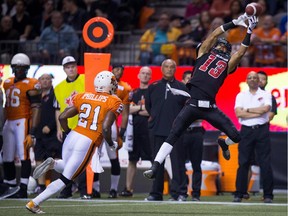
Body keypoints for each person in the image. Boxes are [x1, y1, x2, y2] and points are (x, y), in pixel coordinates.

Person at [143, 14, 259, 180]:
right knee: (173, 135)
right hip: (192, 104)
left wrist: (248, 31)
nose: (222, 49)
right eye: (220, 46)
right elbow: (213, 35)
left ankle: (223, 143)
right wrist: (233, 23)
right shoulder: (203, 53)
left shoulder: (226, 64)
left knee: (236, 136)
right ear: (214, 47)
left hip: (209, 107)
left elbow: (240, 53)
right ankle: (155, 166)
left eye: (224, 47)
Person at [26, 71, 123, 214]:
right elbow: (106, 127)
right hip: (87, 140)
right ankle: (34, 203)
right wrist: (110, 143)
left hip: (73, 136)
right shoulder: (114, 101)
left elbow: (63, 117)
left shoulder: (83, 96)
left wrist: (68, 132)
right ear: (109, 84)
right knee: (67, 178)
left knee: (69, 167)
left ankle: (54, 163)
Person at [145, 59, 189, 201]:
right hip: (157, 130)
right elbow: (148, 107)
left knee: (178, 163)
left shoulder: (183, 88)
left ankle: (179, 193)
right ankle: (156, 194)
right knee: (157, 163)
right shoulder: (153, 87)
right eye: (166, 67)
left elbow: (187, 109)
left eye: (172, 67)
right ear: (161, 69)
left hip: (176, 132)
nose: (169, 69)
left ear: (175, 70)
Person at [0, 53, 41, 199]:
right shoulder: (7, 82)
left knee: (24, 155)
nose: (19, 71)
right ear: (12, 68)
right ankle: (9, 186)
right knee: (7, 156)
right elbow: (5, 106)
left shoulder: (32, 83)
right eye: (16, 68)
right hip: (8, 121)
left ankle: (23, 187)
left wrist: (33, 131)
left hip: (22, 121)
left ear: (27, 69)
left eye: (22, 68)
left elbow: (36, 108)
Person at [233, 71, 273, 203]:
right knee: (243, 162)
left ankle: (268, 195)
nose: (252, 79)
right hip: (246, 131)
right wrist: (257, 111)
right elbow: (238, 113)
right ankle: (239, 193)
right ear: (246, 80)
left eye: (254, 78)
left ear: (258, 80)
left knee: (265, 163)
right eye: (249, 77)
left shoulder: (266, 94)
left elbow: (266, 109)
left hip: (261, 130)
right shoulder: (241, 95)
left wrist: (248, 110)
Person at [95, 64, 132, 198]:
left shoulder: (125, 88)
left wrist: (122, 132)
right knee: (94, 157)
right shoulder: (100, 85)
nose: (118, 72)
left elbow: (126, 113)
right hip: (97, 123)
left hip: (111, 126)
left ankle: (113, 189)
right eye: (116, 69)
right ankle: (95, 189)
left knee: (113, 158)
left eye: (121, 70)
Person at [53, 55, 87, 198]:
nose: (71, 69)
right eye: (68, 67)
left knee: (84, 160)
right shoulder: (59, 87)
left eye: (73, 66)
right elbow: (58, 109)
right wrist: (58, 128)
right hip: (68, 127)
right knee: (66, 160)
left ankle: (85, 190)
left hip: (84, 126)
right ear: (64, 69)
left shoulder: (85, 79)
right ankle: (66, 189)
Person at [119, 66, 152, 197]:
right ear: (138, 75)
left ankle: (157, 188)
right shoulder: (133, 93)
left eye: (147, 74)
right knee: (132, 160)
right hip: (134, 132)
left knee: (153, 160)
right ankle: (128, 189)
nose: (145, 75)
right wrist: (142, 108)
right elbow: (127, 110)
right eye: (143, 73)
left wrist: (136, 108)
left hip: (149, 131)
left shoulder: (153, 91)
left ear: (150, 77)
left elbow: (152, 111)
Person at [33, 73, 62, 194]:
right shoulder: (36, 95)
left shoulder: (55, 94)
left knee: (58, 159)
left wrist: (50, 126)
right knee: (39, 158)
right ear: (39, 81)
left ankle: (64, 184)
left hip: (52, 132)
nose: (45, 81)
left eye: (47, 79)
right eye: (43, 79)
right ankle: (41, 185)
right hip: (39, 132)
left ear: (51, 82)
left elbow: (58, 112)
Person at [181, 70, 205, 201]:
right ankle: (182, 191)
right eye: (188, 79)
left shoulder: (201, 94)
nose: (190, 81)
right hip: (183, 131)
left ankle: (196, 193)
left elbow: (201, 114)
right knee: (181, 164)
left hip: (196, 131)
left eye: (192, 78)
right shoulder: (179, 96)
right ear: (183, 81)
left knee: (197, 164)